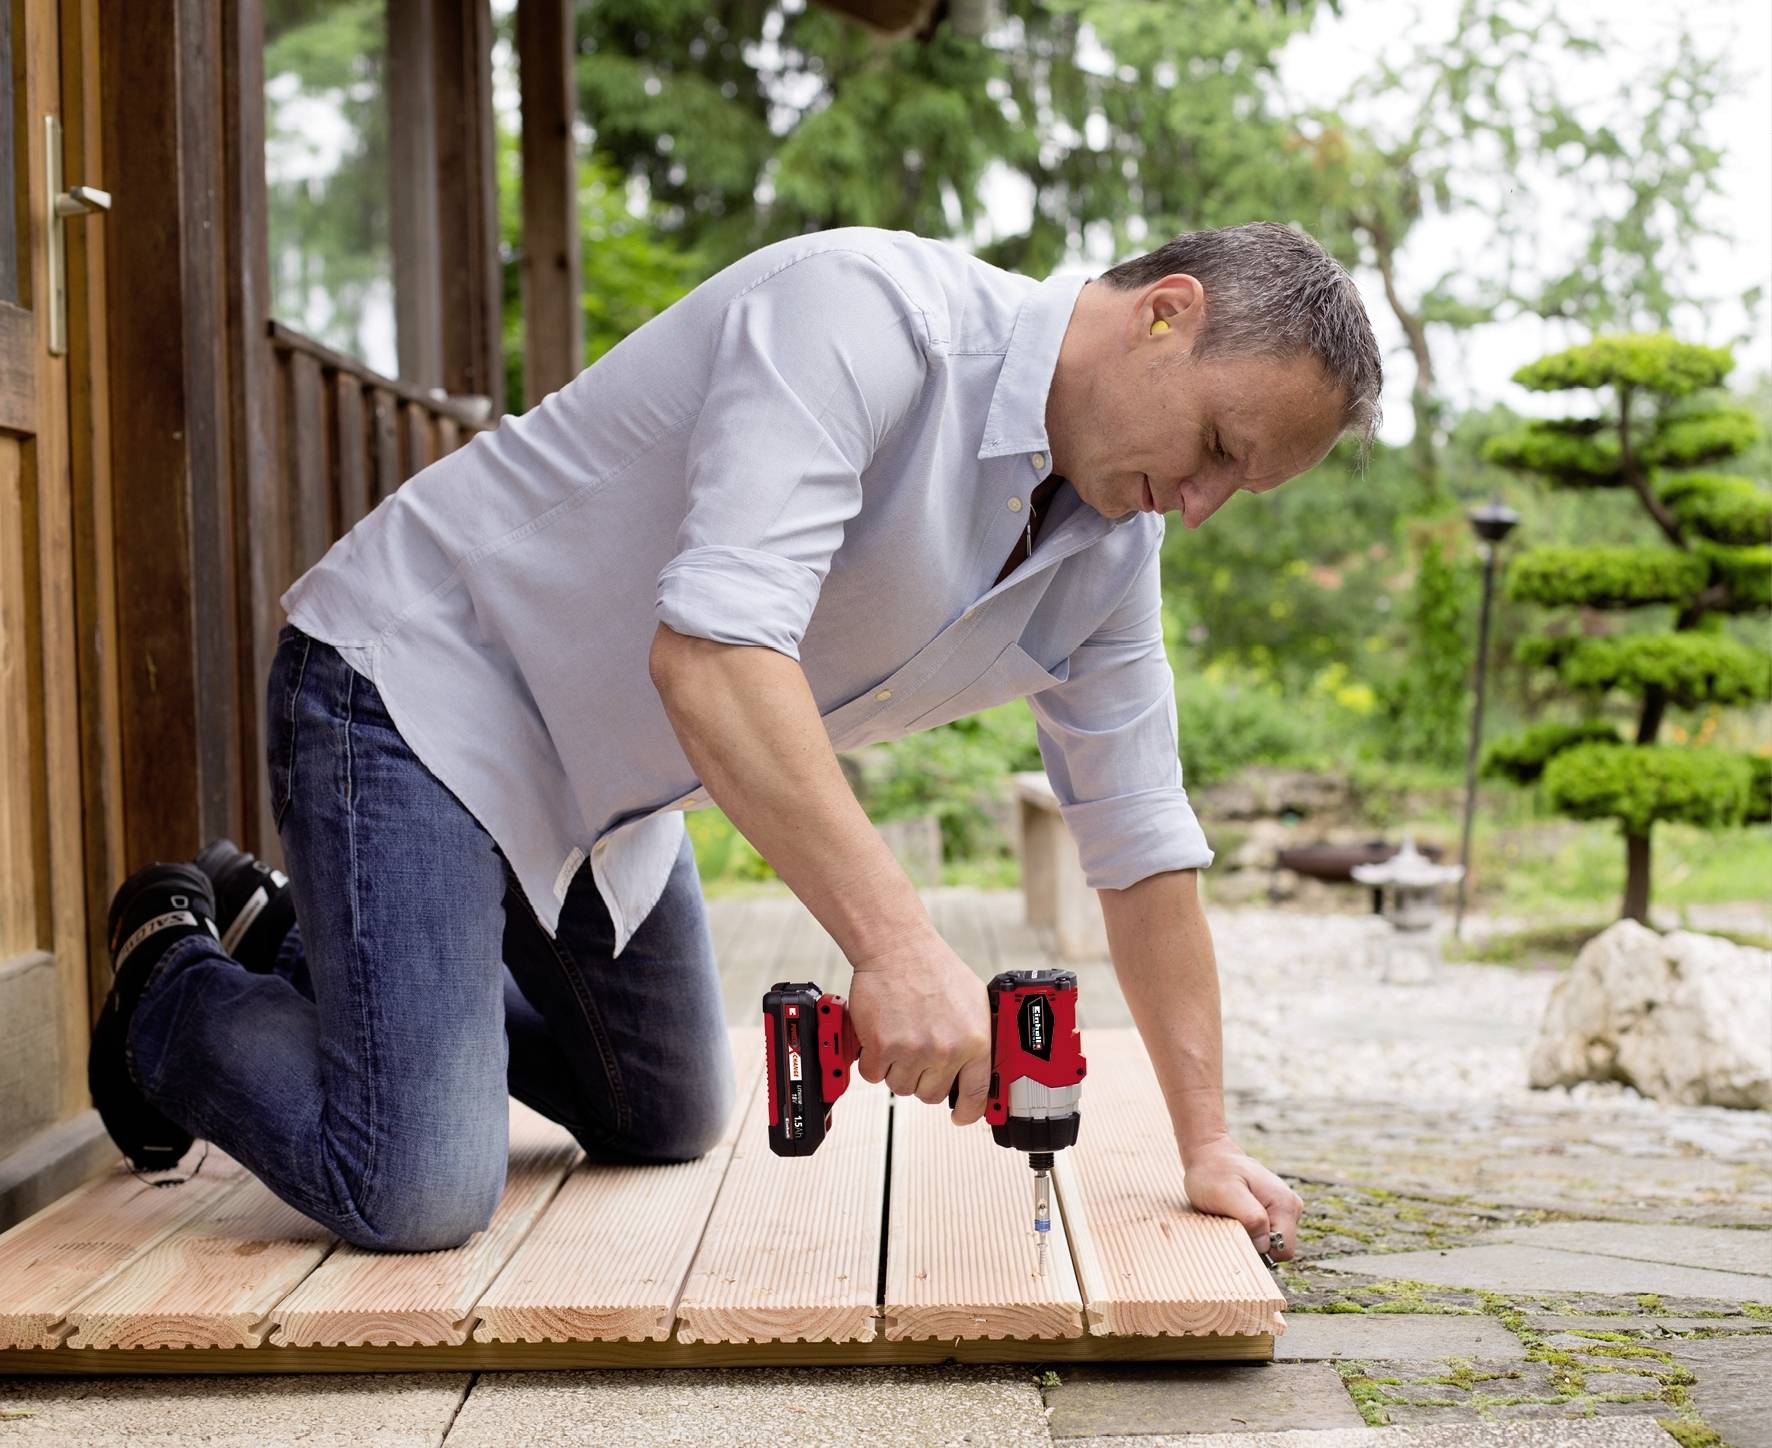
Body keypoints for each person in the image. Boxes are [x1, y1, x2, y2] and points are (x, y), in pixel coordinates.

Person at [90, 221, 1379, 1260]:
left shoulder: (1108, 551)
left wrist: (1206, 1144)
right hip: (421, 692)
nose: (1201, 507)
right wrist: (900, 948)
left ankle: (298, 944)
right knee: (418, 1187)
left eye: (1237, 489)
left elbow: (1143, 842)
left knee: (664, 1113)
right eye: (1215, 447)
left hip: (613, 790)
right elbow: (712, 659)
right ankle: (172, 980)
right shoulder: (866, 314)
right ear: (1166, 311)